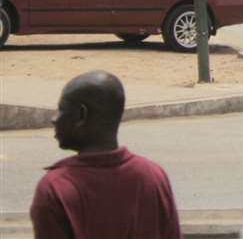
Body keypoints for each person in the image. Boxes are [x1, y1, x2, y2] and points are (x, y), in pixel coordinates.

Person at [30, 71, 183, 239]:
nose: (54, 119)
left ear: (82, 115)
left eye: (61, 109)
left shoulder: (56, 188)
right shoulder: (153, 176)